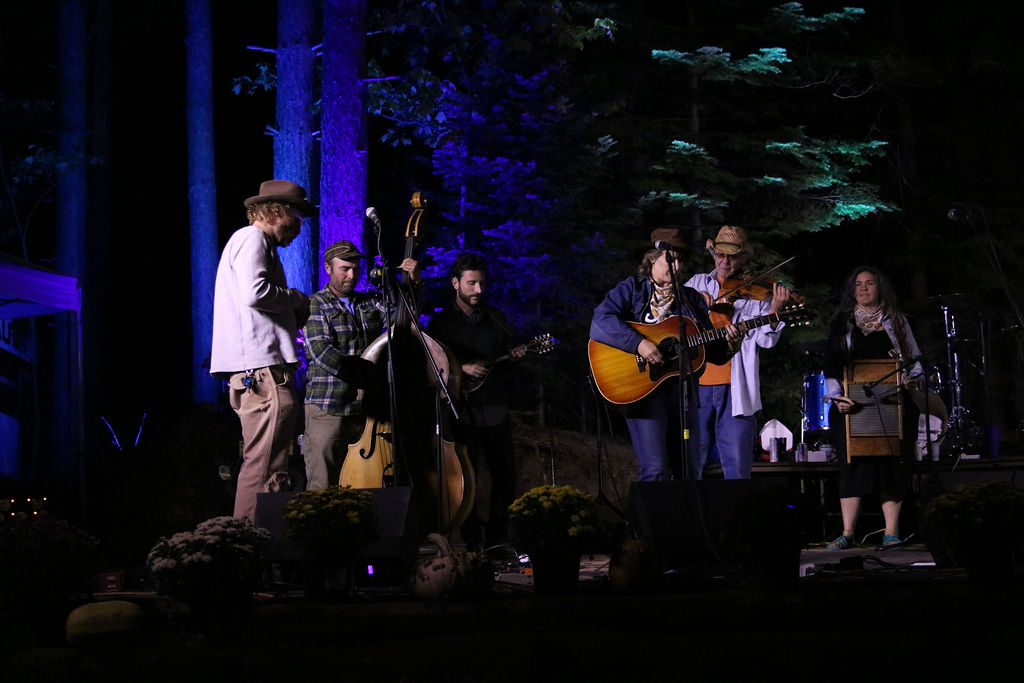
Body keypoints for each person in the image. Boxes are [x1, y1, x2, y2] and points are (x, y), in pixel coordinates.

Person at [589, 228, 741, 482]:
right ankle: (649, 522)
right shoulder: (631, 289)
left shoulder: (691, 299)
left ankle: (686, 521)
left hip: (682, 394)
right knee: (655, 471)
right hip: (643, 392)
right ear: (652, 258)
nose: (676, 265)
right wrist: (639, 344)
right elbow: (600, 321)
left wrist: (731, 344)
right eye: (669, 259)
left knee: (690, 472)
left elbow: (710, 351)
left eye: (680, 260)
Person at [210, 179, 314, 521]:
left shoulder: (252, 243)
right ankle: (246, 545)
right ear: (277, 211)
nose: (300, 226)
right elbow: (255, 293)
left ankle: (262, 547)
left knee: (270, 465)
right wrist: (297, 299)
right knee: (264, 464)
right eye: (297, 217)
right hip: (263, 372)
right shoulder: (252, 238)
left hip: (260, 370)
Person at [301, 240, 422, 490]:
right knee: (323, 482)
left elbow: (405, 318)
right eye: (344, 268)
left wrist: (414, 283)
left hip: (365, 411)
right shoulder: (315, 304)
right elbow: (323, 352)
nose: (351, 275)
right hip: (328, 407)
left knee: (367, 481)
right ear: (328, 268)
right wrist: (370, 374)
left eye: (355, 269)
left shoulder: (368, 301)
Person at [426, 252, 525, 550]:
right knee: (466, 477)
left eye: (481, 283)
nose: (478, 290)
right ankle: (471, 540)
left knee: (505, 475)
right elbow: (430, 362)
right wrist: (462, 367)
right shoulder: (440, 323)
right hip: (461, 411)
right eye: (471, 283)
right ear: (456, 283)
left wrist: (516, 355)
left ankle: (497, 538)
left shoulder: (496, 318)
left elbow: (504, 357)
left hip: (495, 407)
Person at [822, 266, 923, 550]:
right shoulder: (842, 323)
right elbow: (830, 364)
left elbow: (916, 363)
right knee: (852, 466)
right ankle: (848, 532)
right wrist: (837, 396)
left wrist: (910, 379)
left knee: (891, 466)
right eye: (858, 284)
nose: (864, 288)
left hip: (893, 404)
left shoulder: (898, 323)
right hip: (850, 406)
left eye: (870, 284)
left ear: (880, 288)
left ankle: (891, 532)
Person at [684, 225, 791, 479]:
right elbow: (674, 321)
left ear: (743, 259)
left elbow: (766, 341)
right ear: (713, 255)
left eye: (732, 257)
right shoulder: (696, 283)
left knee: (737, 467)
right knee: (691, 464)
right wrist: (694, 304)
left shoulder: (755, 292)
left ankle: (735, 516)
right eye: (720, 255)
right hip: (696, 386)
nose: (724, 261)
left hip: (737, 391)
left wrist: (774, 311)